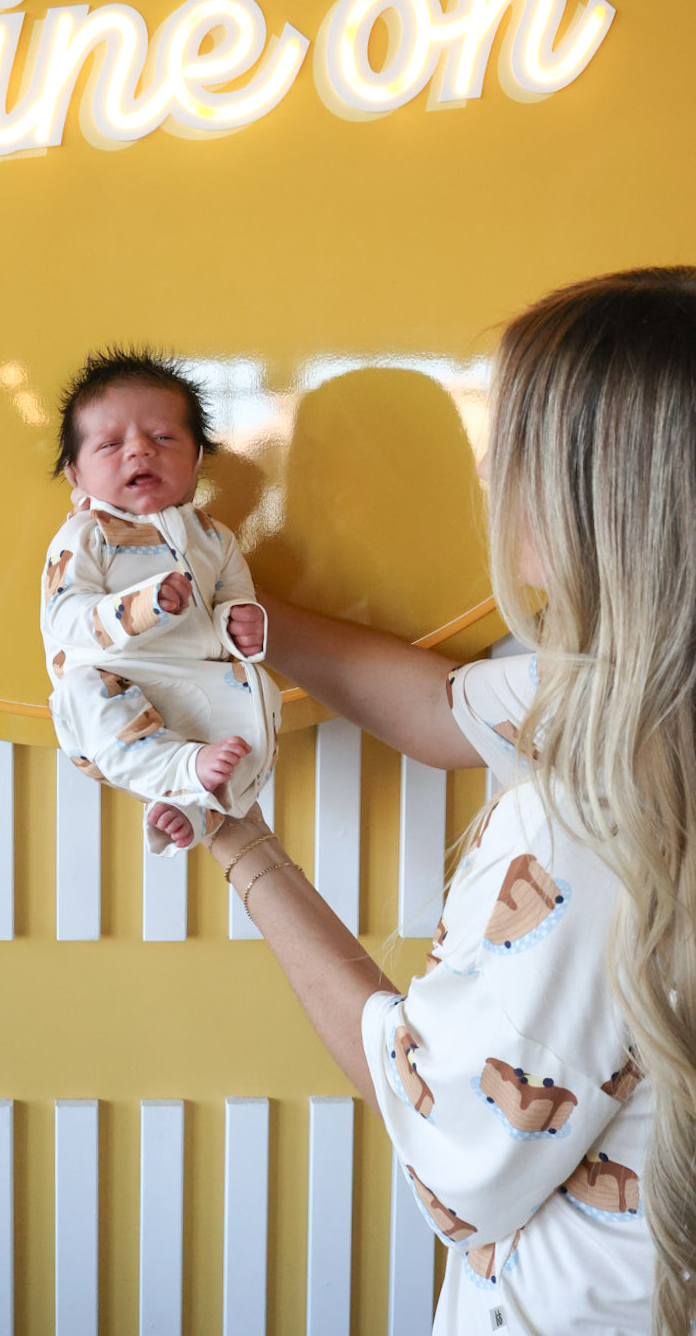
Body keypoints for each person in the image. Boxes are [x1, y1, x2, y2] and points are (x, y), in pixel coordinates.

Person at [208, 268, 696, 1336]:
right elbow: (438, 712)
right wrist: (219, 592)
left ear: (586, 497)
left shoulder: (586, 815)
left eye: (507, 449)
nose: (488, 476)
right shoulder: (636, 695)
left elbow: (450, 1154)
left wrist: (242, 848)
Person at [41, 349, 281, 854]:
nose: (140, 451)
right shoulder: (86, 536)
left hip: (194, 680)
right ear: (76, 476)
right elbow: (65, 616)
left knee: (260, 696)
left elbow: (234, 594)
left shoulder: (215, 538)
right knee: (84, 690)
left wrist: (240, 622)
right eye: (110, 444)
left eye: (164, 438)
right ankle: (175, 769)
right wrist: (143, 606)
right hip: (118, 681)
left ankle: (190, 811)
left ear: (195, 459)